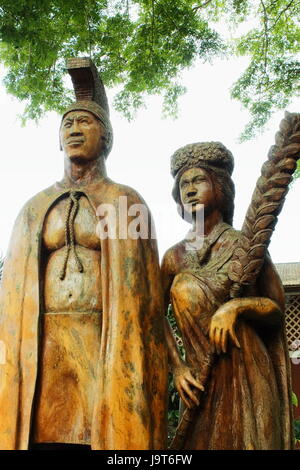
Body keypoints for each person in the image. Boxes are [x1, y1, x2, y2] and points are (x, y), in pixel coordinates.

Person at [0, 57, 168, 450]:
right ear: (58, 139)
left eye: (85, 122)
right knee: (42, 436)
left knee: (104, 434)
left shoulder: (127, 202)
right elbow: (13, 291)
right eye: (67, 124)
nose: (75, 129)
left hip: (104, 341)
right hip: (44, 343)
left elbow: (146, 297)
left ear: (106, 137)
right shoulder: (34, 206)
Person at [162, 142, 293, 450]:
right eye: (183, 184)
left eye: (198, 181)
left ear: (219, 188)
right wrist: (177, 367)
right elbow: (153, 316)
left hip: (247, 370)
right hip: (199, 379)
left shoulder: (245, 247)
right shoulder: (173, 257)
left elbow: (276, 309)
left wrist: (237, 306)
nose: (190, 190)